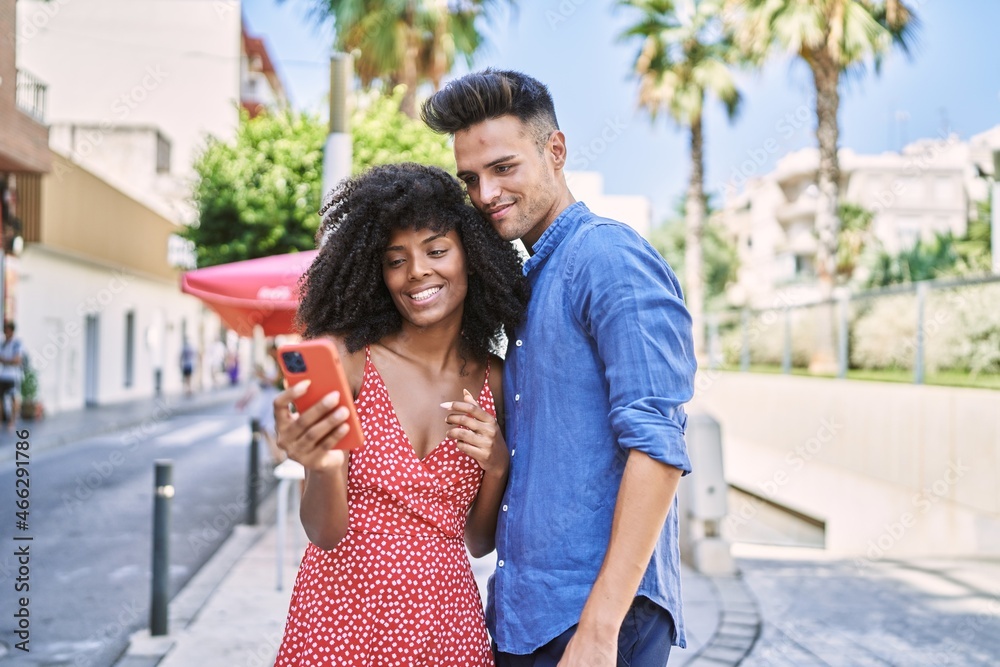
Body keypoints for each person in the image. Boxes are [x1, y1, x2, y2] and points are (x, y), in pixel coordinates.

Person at [420, 70, 697, 665]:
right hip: (529, 616)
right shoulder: (531, 281)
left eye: (503, 167)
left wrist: (599, 629)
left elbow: (658, 447)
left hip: (598, 624)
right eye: (471, 178)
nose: (486, 193)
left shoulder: (607, 257)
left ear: (556, 151)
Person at [271, 162, 529, 666]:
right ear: (378, 272)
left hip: (445, 625)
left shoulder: (495, 381)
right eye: (396, 259)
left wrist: (497, 464)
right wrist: (322, 465)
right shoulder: (349, 364)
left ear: (471, 258)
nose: (416, 272)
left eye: (436, 250)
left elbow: (477, 543)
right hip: (338, 621)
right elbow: (324, 532)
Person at [236, 341, 284, 463]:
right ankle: (276, 454)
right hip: (271, 400)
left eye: (269, 352)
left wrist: (262, 375)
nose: (269, 354)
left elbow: (276, 382)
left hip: (275, 400)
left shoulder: (280, 364)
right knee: (268, 428)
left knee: (270, 428)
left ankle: (277, 455)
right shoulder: (276, 365)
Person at [0, 320, 24, 430]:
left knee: (13, 398)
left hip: (13, 375)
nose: (5, 333)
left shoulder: (16, 343)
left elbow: (17, 360)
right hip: (3, 374)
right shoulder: (3, 343)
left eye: (7, 330)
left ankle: (12, 422)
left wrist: (4, 360)